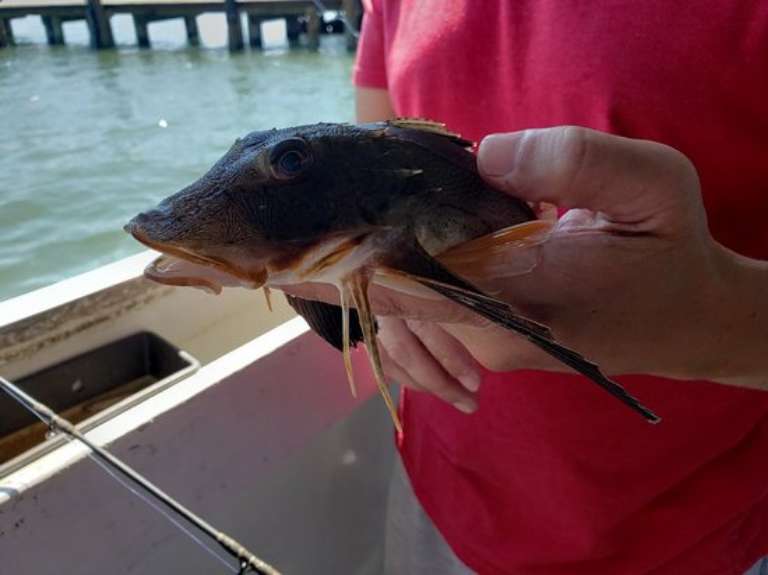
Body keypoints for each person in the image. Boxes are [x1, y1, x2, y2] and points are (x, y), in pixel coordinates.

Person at [295, 1, 768, 573]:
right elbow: (365, 154)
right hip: (438, 490)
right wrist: (377, 284)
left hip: (692, 534)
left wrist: (714, 320)